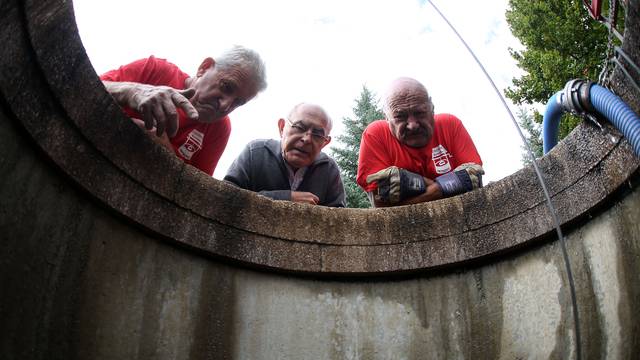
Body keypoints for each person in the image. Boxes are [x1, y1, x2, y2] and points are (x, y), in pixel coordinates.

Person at [100, 45, 267, 176]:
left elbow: (195, 189)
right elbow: (80, 87)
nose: (225, 106)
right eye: (226, 87)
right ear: (204, 67)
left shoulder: (220, 128)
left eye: (238, 103)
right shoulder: (157, 70)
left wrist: (163, 151)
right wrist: (133, 92)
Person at [357, 77, 483, 207]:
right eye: (400, 116)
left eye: (420, 113)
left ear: (432, 108)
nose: (412, 125)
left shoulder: (450, 125)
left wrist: (410, 183)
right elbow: (381, 207)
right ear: (386, 117)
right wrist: (447, 185)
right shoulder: (376, 135)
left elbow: (474, 181)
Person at [224, 103, 346, 207]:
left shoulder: (328, 169)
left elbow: (340, 218)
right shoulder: (255, 153)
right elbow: (225, 196)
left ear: (325, 142)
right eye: (299, 127)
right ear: (282, 128)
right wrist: (285, 198)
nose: (307, 139)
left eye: (317, 134)